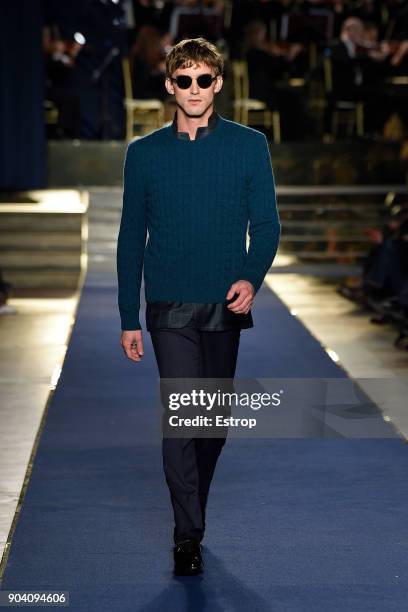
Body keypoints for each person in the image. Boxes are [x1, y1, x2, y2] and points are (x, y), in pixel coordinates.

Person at [116, 37, 281, 576]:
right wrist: (127, 316)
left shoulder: (248, 145)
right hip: (167, 304)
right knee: (181, 418)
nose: (193, 89)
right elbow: (129, 238)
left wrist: (251, 278)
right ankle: (186, 535)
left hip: (224, 302)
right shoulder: (143, 154)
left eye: (203, 80)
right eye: (183, 80)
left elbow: (268, 224)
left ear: (217, 84)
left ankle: (195, 511)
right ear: (169, 85)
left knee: (213, 423)